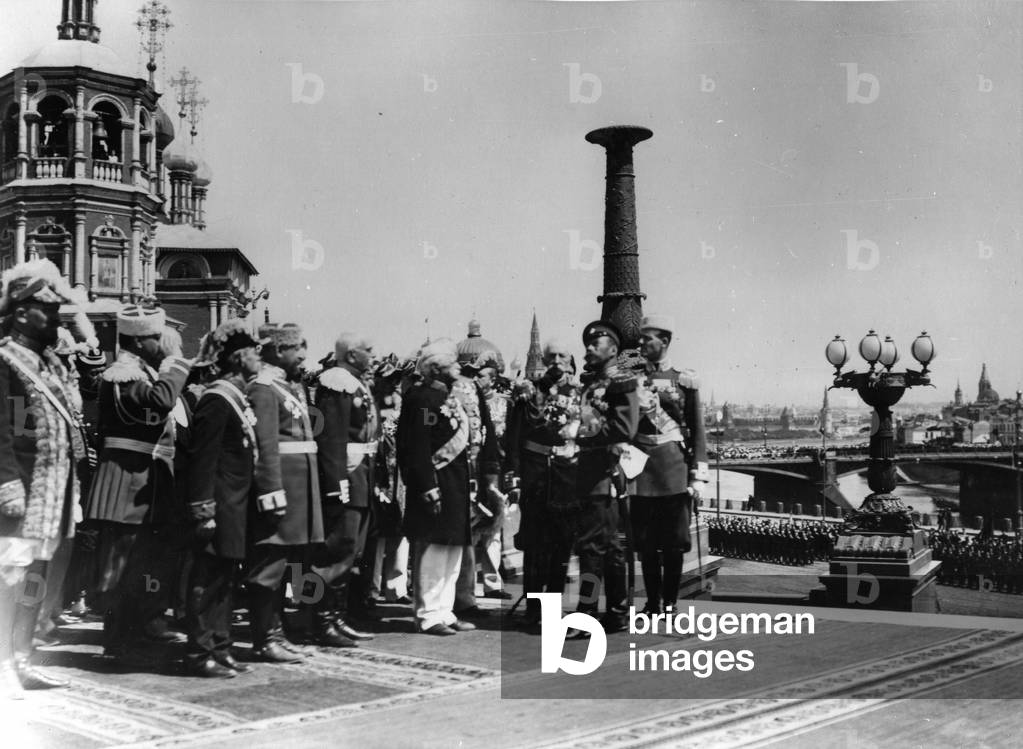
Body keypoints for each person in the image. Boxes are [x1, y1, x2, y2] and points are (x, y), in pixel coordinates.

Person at [0, 259, 89, 697]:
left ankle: (22, 656)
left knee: (35, 577)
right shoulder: (6, 362)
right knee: (9, 579)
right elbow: (7, 431)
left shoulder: (49, 365)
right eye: (46, 309)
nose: (55, 317)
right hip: (21, 497)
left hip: (52, 495)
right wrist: (7, 483)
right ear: (20, 312)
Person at [83, 305, 192, 660]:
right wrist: (175, 366)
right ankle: (116, 639)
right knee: (121, 562)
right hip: (125, 476)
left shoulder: (140, 371)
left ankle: (141, 626)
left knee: (143, 561)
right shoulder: (122, 374)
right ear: (141, 340)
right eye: (156, 336)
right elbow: (158, 405)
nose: (161, 342)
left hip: (145, 477)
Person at [183, 319, 263, 677]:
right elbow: (204, 459)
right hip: (218, 504)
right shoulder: (216, 399)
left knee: (226, 579)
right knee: (208, 577)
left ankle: (221, 644)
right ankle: (200, 653)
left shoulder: (235, 397)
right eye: (253, 353)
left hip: (235, 505)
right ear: (236, 359)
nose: (258, 357)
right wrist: (203, 510)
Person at [245, 323, 324, 662]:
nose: (303, 355)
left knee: (289, 565)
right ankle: (264, 638)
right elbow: (265, 447)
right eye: (297, 349)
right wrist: (271, 491)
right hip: (281, 490)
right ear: (278, 351)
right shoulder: (263, 388)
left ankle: (278, 631)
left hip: (301, 490)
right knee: (270, 567)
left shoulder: (290, 386)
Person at [398, 340, 485, 635]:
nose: (458, 367)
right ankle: (427, 614)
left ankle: (445, 611)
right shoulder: (422, 399)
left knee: (453, 550)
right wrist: (426, 485)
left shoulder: (446, 396)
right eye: (453, 362)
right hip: (436, 483)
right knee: (435, 550)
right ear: (436, 367)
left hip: (456, 484)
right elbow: (418, 444)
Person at [632, 314, 708, 614]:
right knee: (647, 544)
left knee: (674, 542)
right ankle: (652, 602)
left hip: (674, 470)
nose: (642, 343)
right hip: (640, 471)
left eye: (648, 338)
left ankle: (670, 602)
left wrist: (697, 477)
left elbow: (697, 430)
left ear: (664, 341)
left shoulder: (684, 381)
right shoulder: (633, 380)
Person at [505, 340, 582, 631]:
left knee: (562, 546)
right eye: (551, 356)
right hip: (536, 476)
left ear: (572, 363)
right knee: (536, 546)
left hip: (567, 478)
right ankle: (533, 609)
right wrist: (513, 477)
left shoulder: (582, 394)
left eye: (563, 356)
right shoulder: (529, 392)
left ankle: (552, 609)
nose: (557, 361)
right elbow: (513, 437)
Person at [309, 333, 380, 646]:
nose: (373, 354)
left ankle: (336, 617)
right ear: (352, 355)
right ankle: (319, 620)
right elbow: (331, 438)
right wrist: (336, 483)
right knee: (335, 551)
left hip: (362, 474)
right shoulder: (337, 382)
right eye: (368, 350)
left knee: (350, 552)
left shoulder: (355, 381)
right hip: (347, 475)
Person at [571, 320, 639, 636]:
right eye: (587, 344)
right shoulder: (591, 383)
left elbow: (625, 428)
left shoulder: (620, 382)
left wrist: (582, 434)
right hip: (590, 474)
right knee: (606, 547)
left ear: (612, 349)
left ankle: (589, 615)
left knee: (593, 548)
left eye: (595, 345)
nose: (588, 349)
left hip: (603, 473)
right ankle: (615, 613)